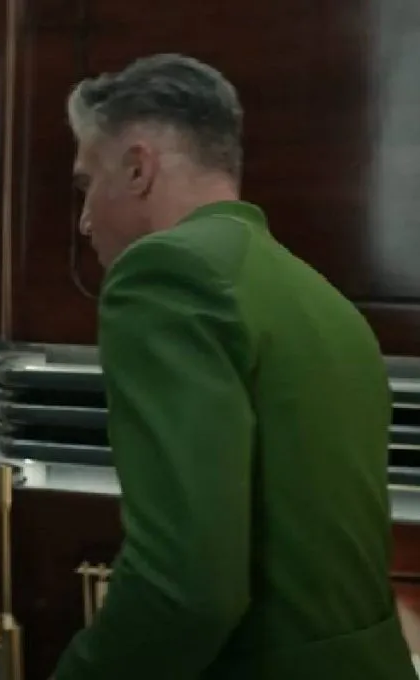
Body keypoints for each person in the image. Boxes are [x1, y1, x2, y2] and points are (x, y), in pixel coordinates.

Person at [52, 54, 417, 679]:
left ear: (137, 168)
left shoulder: (162, 274)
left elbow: (185, 590)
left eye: (87, 185)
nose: (85, 221)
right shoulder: (323, 300)